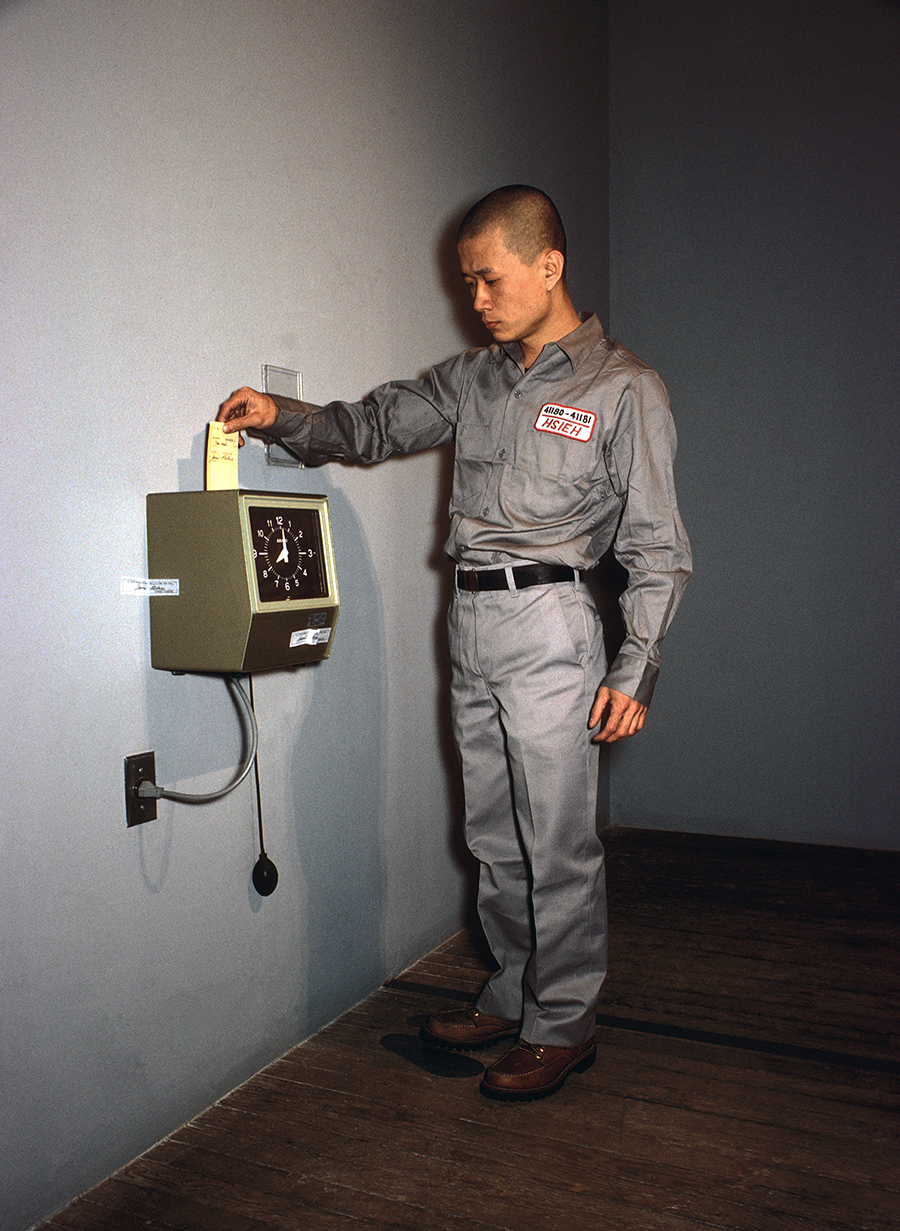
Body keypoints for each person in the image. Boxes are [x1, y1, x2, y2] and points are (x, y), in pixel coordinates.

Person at [217, 185, 691, 1101]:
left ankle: (564, 1025)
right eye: (467, 282)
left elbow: (659, 547)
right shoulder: (471, 379)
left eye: (488, 279)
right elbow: (368, 425)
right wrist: (284, 418)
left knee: (557, 842)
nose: (474, 300)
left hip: (552, 622)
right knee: (494, 833)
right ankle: (514, 991)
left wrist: (637, 665)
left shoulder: (624, 388)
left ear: (548, 266)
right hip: (470, 619)